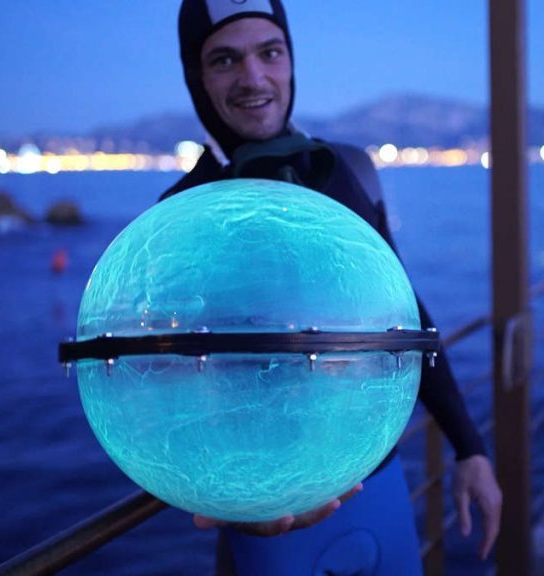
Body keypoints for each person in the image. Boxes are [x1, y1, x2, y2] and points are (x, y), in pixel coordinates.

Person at [162, 1, 502, 574]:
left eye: (270, 52)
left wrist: (469, 448)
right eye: (225, 60)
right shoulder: (181, 217)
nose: (254, 78)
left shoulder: (348, 170)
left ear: (291, 62)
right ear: (198, 79)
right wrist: (221, 499)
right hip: (271, 515)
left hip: (382, 486)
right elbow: (167, 395)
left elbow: (403, 314)